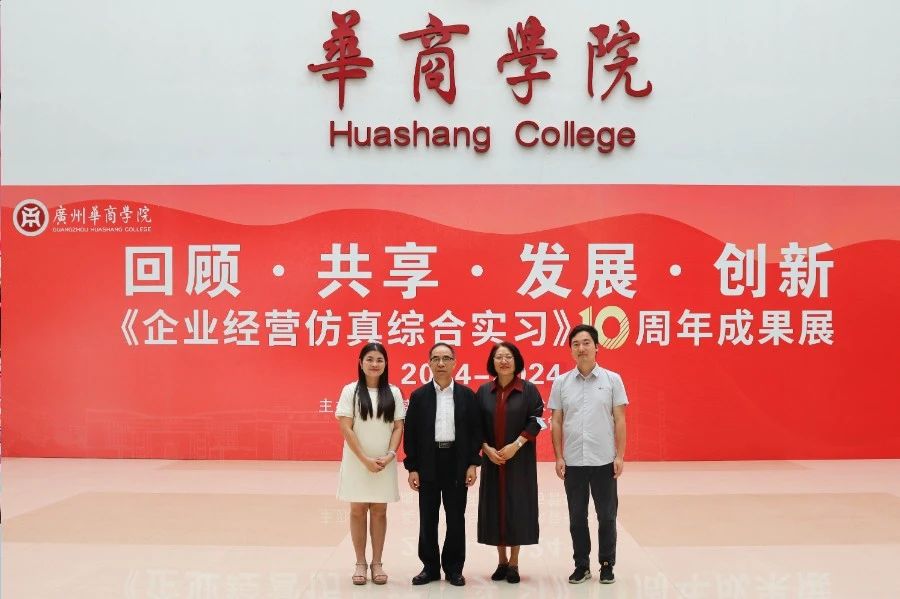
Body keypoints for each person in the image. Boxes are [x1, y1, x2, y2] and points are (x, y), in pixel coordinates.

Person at [549, 324, 628, 585]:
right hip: (573, 461)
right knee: (576, 518)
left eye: (586, 343)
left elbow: (620, 419)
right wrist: (559, 456)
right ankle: (581, 565)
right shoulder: (561, 382)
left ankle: (607, 564)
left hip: (604, 460)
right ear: (571, 350)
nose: (581, 348)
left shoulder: (612, 380)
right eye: (576, 344)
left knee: (607, 516)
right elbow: (556, 421)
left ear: (597, 347)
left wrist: (620, 455)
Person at [403, 342, 481, 587]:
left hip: (457, 462)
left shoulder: (467, 396)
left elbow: (475, 432)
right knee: (428, 518)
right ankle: (429, 568)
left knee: (456, 518)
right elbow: (411, 433)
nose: (441, 363)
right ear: (428, 363)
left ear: (455, 363)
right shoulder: (419, 396)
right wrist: (412, 467)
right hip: (428, 461)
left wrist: (473, 464)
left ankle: (454, 568)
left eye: (446, 358)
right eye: (436, 358)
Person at [335, 342, 405, 586]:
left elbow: (398, 427)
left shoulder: (393, 392)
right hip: (357, 461)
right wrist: (364, 459)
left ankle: (377, 563)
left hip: (384, 462)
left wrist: (390, 455)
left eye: (379, 360)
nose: (375, 364)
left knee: (379, 511)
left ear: (386, 364)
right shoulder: (350, 391)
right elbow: (346, 427)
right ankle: (360, 563)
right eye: (370, 359)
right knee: (357, 510)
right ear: (360, 363)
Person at [474, 341, 544, 584]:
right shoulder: (484, 391)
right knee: (495, 507)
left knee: (518, 507)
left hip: (519, 460)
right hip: (493, 459)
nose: (503, 361)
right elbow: (475, 426)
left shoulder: (529, 390)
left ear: (516, 362)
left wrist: (517, 444)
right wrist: (486, 449)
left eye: (508, 357)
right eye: (499, 357)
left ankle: (514, 563)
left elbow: (537, 421)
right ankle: (501, 561)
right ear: (492, 363)